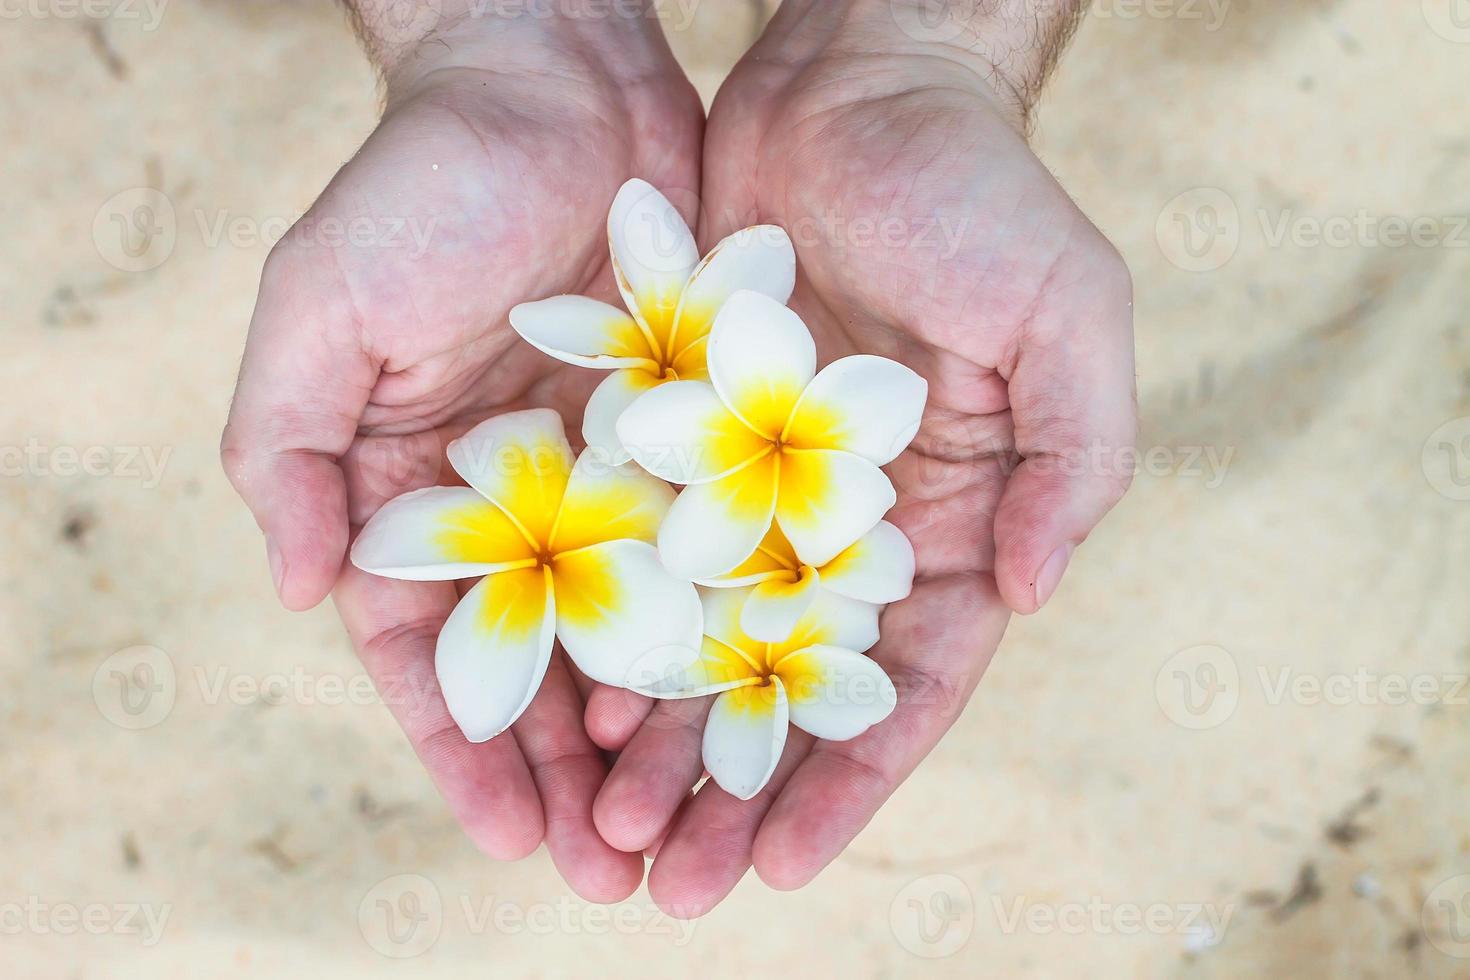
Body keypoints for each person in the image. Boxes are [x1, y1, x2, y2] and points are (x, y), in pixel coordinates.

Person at [219, 0, 1135, 916]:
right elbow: (663, 504)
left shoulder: (733, 482)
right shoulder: (654, 468)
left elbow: (688, 517)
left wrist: (915, 53)